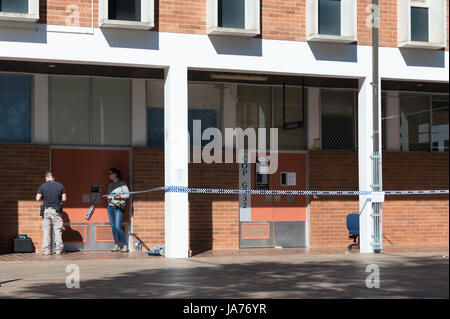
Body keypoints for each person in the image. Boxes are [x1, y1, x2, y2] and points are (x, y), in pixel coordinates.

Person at [36, 171, 67, 255]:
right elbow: (64, 199)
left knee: (46, 231)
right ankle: (59, 250)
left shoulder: (42, 186)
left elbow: (37, 198)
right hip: (56, 210)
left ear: (46, 178)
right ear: (53, 177)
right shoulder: (60, 185)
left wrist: (44, 197)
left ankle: (46, 251)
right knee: (57, 230)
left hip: (46, 210)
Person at [107, 168, 130, 252]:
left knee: (117, 226)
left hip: (118, 207)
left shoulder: (122, 184)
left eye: (110, 173)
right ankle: (116, 245)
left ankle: (125, 245)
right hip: (110, 206)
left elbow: (127, 195)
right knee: (113, 226)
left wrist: (118, 197)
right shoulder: (110, 184)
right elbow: (109, 194)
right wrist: (109, 197)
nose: (108, 175)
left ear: (115, 174)